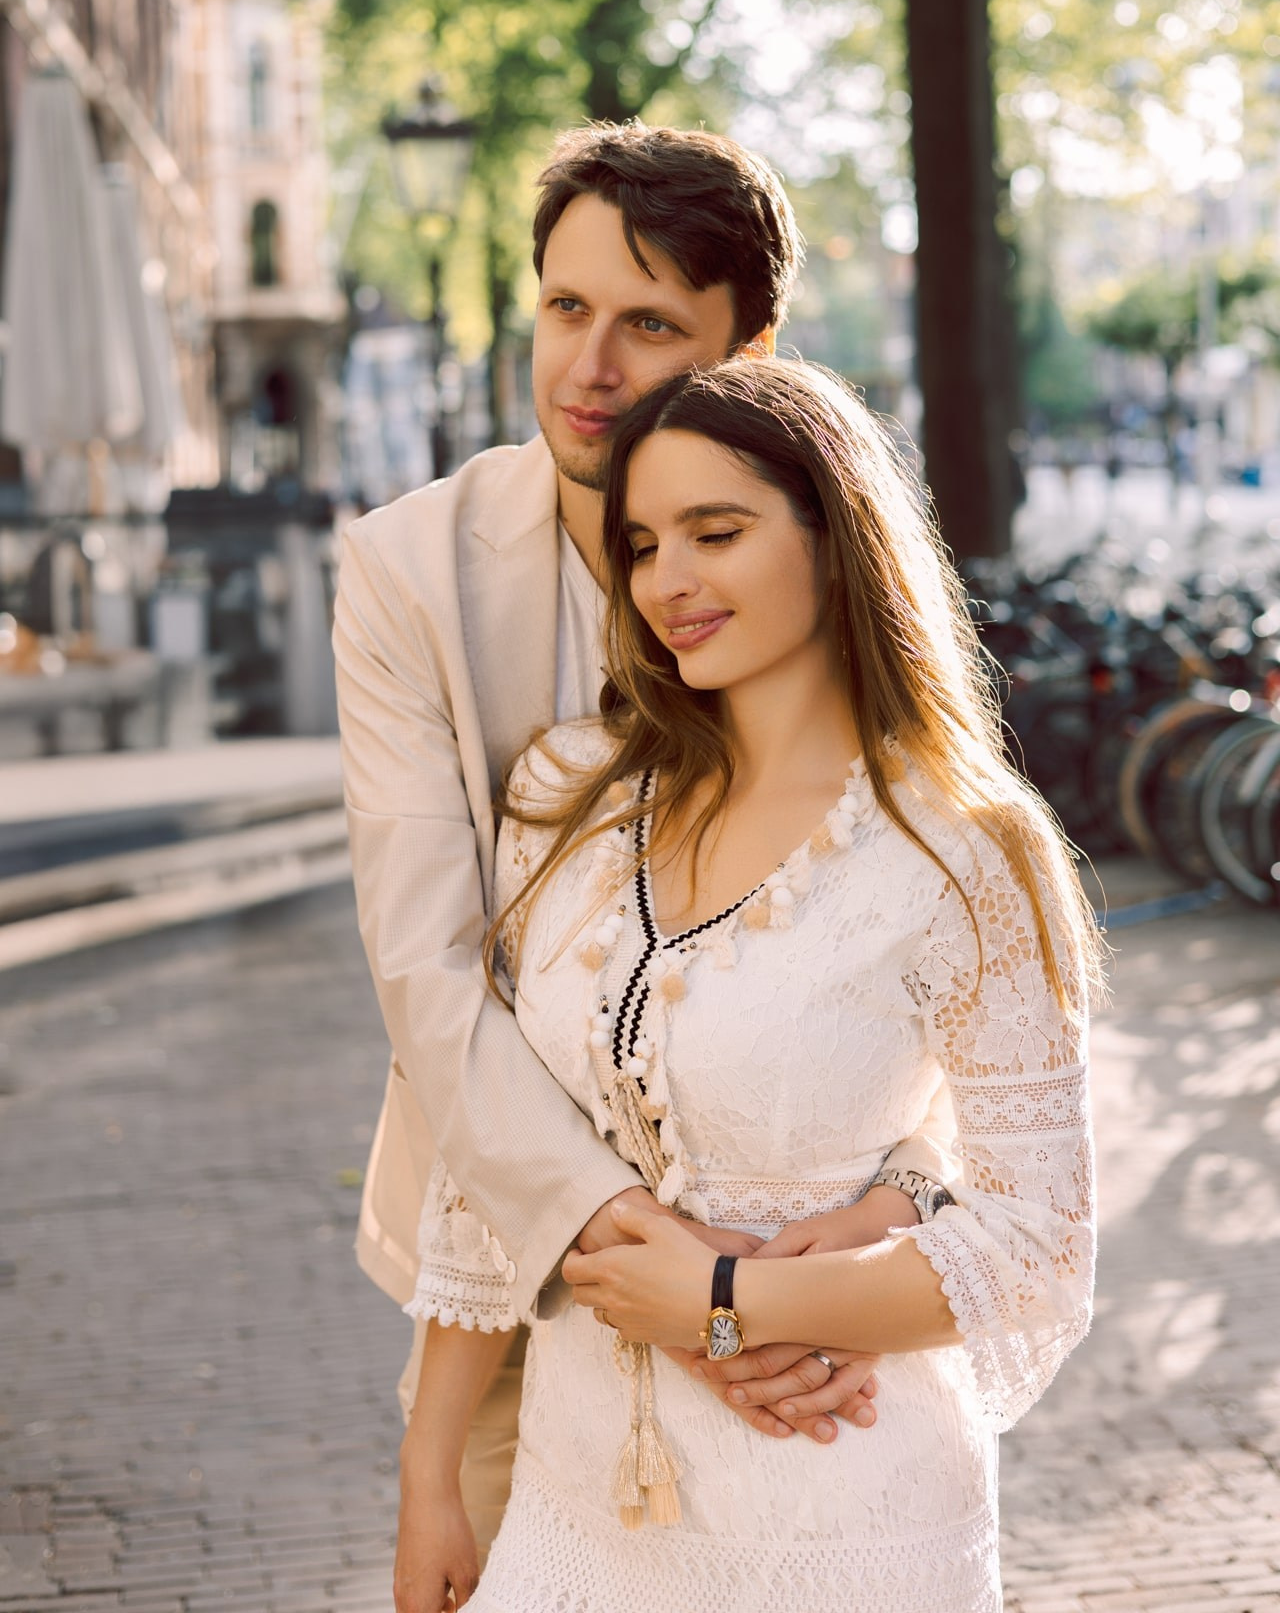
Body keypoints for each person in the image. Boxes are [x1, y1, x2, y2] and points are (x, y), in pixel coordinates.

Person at [332, 123, 955, 1602]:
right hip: (509, 1258)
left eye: (650, 323)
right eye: (564, 307)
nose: (588, 367)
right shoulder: (407, 574)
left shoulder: (829, 568)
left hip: (810, 1290)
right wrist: (684, 1297)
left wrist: (864, 1228)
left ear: (753, 344)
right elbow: (431, 981)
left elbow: (933, 953)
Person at [402, 356, 1101, 1611]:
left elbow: (1040, 1247)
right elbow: (483, 1151)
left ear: (834, 540)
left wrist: (724, 1302)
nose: (668, 581)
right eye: (640, 543)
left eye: (714, 532)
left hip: (842, 1513)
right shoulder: (566, 799)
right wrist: (430, 1474)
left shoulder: (964, 850)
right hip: (571, 1506)